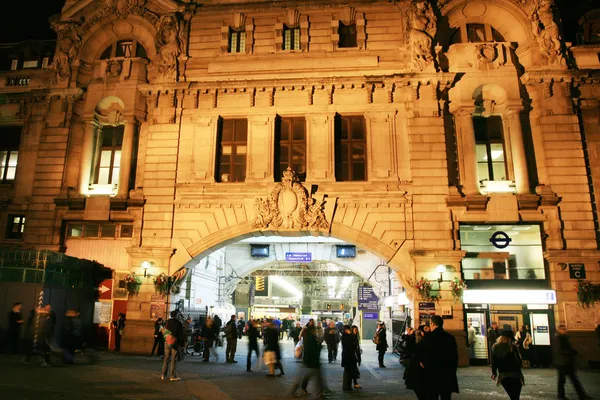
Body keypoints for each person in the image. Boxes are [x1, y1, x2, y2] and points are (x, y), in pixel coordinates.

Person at [421, 315, 459, 400]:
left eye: (430, 323)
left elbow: (427, 354)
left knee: (432, 396)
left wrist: (423, 363)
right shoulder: (450, 337)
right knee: (446, 397)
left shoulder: (429, 338)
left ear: (433, 324)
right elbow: (455, 356)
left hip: (432, 375)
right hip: (447, 374)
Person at [553, 325, 592, 400]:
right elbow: (558, 350)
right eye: (563, 329)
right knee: (563, 380)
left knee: (573, 380)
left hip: (566, 362)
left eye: (565, 329)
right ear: (559, 330)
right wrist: (570, 352)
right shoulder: (558, 338)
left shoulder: (564, 337)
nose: (565, 330)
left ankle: (581, 395)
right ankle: (561, 395)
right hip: (561, 362)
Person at [290, 319, 325, 398]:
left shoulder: (309, 336)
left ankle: (316, 392)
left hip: (310, 360)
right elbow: (311, 348)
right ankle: (318, 394)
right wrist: (319, 346)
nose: (315, 331)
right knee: (313, 377)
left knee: (307, 376)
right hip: (311, 360)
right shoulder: (309, 337)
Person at [491, 330, 524, 400]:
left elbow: (494, 362)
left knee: (512, 396)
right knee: (515, 396)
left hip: (504, 375)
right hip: (515, 374)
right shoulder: (512, 347)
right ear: (509, 339)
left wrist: (494, 373)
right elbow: (519, 361)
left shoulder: (495, 347)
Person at [161, 310, 184, 381]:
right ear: (177, 315)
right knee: (173, 359)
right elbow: (180, 335)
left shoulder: (168, 322)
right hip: (175, 342)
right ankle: (172, 376)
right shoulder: (178, 323)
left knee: (166, 358)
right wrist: (182, 344)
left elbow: (164, 331)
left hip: (167, 341)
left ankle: (163, 375)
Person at [405, 327, 427, 399]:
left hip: (417, 367)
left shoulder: (420, 343)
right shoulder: (417, 342)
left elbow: (408, 348)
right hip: (417, 367)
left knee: (419, 388)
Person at [341, 325, 360, 391]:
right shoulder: (345, 336)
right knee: (348, 372)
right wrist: (351, 334)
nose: (350, 331)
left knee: (349, 371)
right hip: (348, 356)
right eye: (350, 330)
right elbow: (350, 344)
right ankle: (346, 387)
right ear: (346, 330)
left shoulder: (347, 336)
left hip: (349, 356)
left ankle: (348, 386)